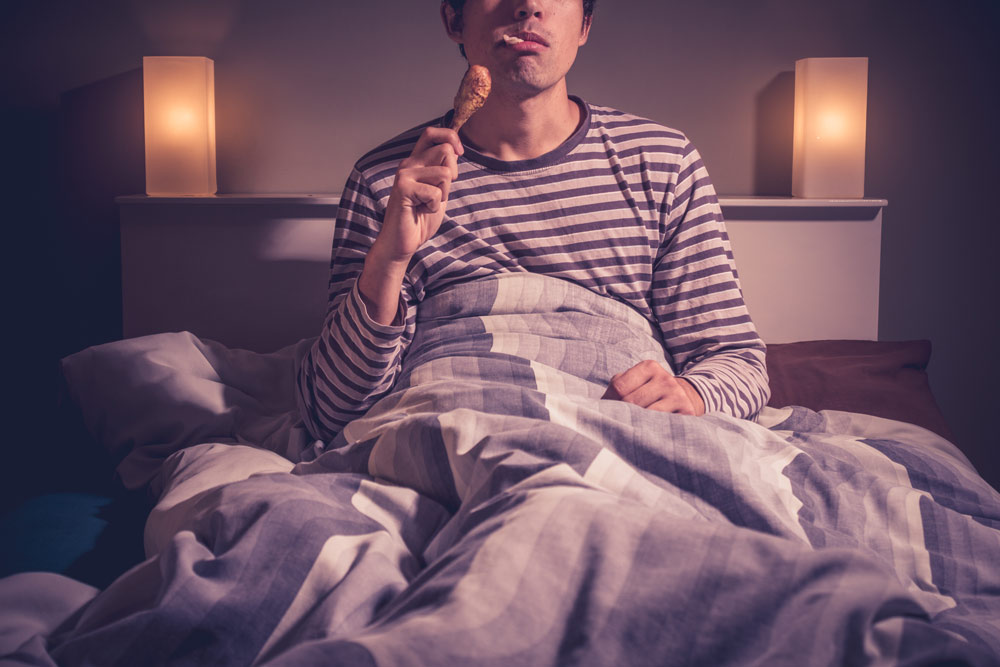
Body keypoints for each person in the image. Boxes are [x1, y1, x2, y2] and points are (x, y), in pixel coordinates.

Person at [296, 0, 769, 443]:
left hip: (615, 433)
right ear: (453, 20)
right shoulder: (388, 182)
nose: (527, 4)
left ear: (584, 24)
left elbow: (737, 361)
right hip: (455, 429)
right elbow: (330, 410)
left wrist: (692, 394)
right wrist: (390, 259)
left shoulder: (662, 162)